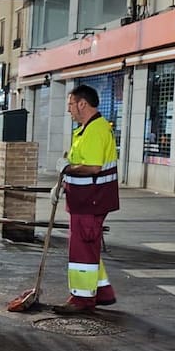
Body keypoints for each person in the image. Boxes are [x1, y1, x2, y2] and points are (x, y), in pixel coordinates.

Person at [54, 84, 120, 315]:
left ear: (82, 103)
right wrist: (62, 183)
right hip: (86, 199)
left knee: (81, 251)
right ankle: (102, 292)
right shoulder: (86, 129)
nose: (69, 110)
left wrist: (67, 168)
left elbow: (92, 167)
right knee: (88, 247)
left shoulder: (95, 130)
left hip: (90, 200)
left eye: (71, 104)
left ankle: (81, 299)